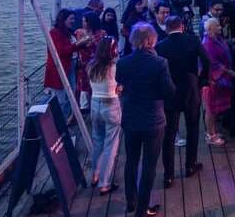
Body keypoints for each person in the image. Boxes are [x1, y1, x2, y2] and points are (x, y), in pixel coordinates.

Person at [116, 23, 175, 217]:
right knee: (149, 165)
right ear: (152, 40)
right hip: (153, 120)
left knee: (131, 161)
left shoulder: (123, 62)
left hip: (131, 118)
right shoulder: (160, 63)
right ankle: (142, 209)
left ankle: (131, 201)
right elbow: (168, 91)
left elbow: (121, 83)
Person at [155, 14, 210, 186]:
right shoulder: (193, 41)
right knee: (193, 128)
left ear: (166, 28)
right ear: (182, 27)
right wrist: (202, 81)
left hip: (170, 92)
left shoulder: (160, 46)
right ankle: (190, 165)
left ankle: (168, 176)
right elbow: (207, 61)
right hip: (191, 88)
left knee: (169, 135)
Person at [88, 36, 122, 195]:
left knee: (97, 142)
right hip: (111, 105)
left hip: (95, 104)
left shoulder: (91, 66)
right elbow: (120, 87)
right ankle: (105, 183)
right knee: (111, 145)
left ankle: (95, 174)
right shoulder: (115, 67)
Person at [44, 8, 91, 119]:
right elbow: (61, 51)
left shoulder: (67, 32)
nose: (73, 21)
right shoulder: (54, 33)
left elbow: (71, 49)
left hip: (71, 66)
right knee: (61, 98)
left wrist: (84, 44)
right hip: (60, 68)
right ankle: (62, 122)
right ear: (63, 19)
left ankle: (69, 117)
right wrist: (79, 44)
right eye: (71, 19)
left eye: (74, 19)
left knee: (72, 93)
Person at [201, 17, 235, 145]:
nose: (220, 28)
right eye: (218, 26)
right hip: (212, 81)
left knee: (214, 109)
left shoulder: (216, 38)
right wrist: (227, 71)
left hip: (219, 79)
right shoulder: (207, 43)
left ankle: (213, 131)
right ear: (210, 29)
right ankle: (211, 136)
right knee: (211, 109)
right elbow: (213, 63)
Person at [75, 12, 106, 112]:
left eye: (85, 21)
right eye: (83, 21)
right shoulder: (78, 33)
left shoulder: (101, 34)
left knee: (95, 86)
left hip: (96, 65)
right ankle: (86, 108)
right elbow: (74, 46)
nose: (83, 23)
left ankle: (96, 107)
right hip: (82, 65)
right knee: (84, 87)